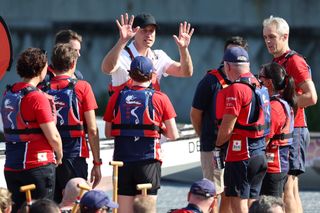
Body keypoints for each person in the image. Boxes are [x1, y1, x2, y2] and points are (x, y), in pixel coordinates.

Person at [104, 56, 179, 213]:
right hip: (148, 162)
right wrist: (159, 129)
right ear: (152, 75)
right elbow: (173, 134)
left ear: (130, 75)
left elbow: (108, 132)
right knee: (146, 210)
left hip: (122, 162)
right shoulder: (161, 98)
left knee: (124, 210)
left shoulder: (117, 97)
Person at [262, 16, 318, 213]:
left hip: (295, 130)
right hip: (289, 129)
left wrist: (282, 104)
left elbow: (312, 97)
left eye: (272, 37)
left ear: (285, 36)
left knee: (287, 188)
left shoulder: (294, 61)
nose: (268, 41)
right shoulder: (278, 61)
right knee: (291, 188)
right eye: (265, 37)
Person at [0, 48, 63, 212]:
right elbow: (53, 136)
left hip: (12, 167)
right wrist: (60, 154)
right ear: (41, 69)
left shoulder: (8, 93)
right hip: (37, 166)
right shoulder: (36, 97)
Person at [190, 36, 248, 213]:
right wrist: (206, 138)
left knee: (232, 193)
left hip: (237, 149)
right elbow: (195, 114)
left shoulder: (247, 83)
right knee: (212, 193)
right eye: (229, 53)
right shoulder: (210, 81)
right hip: (213, 147)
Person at [42, 43, 101, 203]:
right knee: (76, 203)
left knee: (52, 205)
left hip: (49, 156)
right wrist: (97, 163)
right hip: (75, 156)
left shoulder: (42, 89)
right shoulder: (83, 87)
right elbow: (93, 129)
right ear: (73, 63)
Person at [215, 47, 269, 213]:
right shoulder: (260, 85)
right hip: (259, 152)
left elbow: (228, 126)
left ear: (228, 66)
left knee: (238, 205)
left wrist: (216, 145)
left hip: (241, 155)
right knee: (253, 205)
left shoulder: (236, 89)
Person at [101, 12, 194, 94]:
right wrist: (122, 41)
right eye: (144, 30)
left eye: (151, 31)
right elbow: (106, 69)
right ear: (134, 32)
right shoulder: (121, 54)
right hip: (124, 113)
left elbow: (186, 72)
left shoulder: (159, 56)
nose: (148, 35)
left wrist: (183, 49)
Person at [259, 63, 296, 197]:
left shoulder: (275, 107)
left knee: (270, 207)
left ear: (268, 82)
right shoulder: (282, 102)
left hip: (273, 167)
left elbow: (266, 139)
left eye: (260, 78)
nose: (258, 82)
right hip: (277, 165)